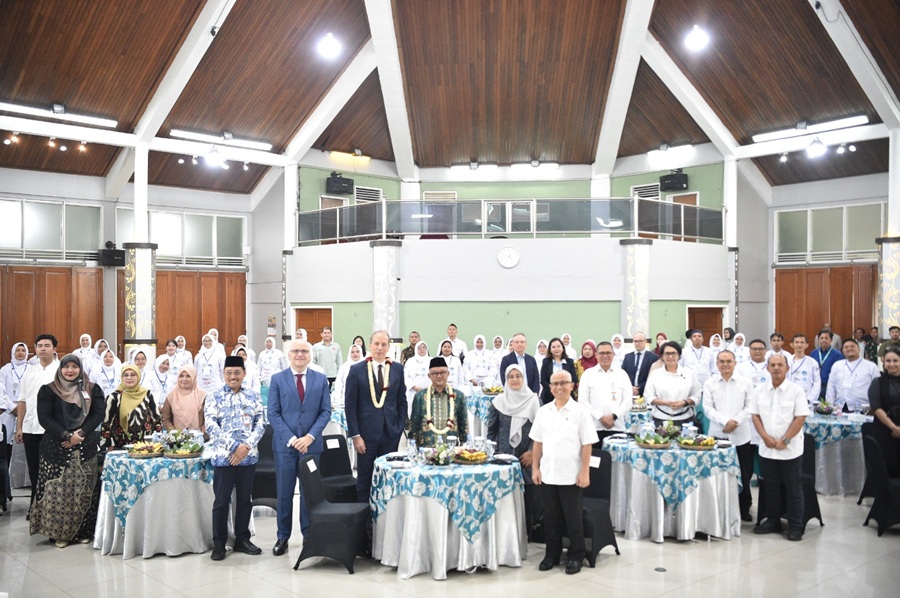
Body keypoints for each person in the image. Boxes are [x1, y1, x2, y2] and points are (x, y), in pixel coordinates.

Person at [29, 354, 105, 547]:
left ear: (80, 368)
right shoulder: (48, 390)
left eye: (74, 367)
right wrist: (66, 436)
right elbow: (44, 418)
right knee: (58, 492)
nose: (70, 370)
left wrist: (81, 432)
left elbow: (98, 413)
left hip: (85, 446)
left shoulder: (92, 389)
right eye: (66, 367)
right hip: (56, 448)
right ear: (60, 369)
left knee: (84, 489)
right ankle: (59, 534)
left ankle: (82, 532)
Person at [267, 339, 332, 555]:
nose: (300, 354)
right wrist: (292, 438)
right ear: (289, 354)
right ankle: (282, 537)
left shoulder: (320, 379)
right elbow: (273, 413)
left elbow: (325, 412)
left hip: (311, 448)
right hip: (285, 448)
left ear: (310, 355)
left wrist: (310, 437)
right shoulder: (277, 379)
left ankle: (308, 536)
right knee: (284, 493)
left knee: (309, 493)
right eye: (296, 351)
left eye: (304, 351)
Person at [529, 370, 597, 575]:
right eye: (555, 384)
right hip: (548, 473)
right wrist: (535, 468)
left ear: (572, 385)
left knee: (573, 518)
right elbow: (537, 442)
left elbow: (587, 445)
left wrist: (584, 472)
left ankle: (576, 554)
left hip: (571, 474)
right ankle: (552, 554)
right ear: (549, 388)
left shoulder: (580, 412)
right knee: (551, 518)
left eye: (563, 383)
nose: (559, 387)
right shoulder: (544, 411)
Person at [205, 355, 265, 560]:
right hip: (224, 458)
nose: (233, 376)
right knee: (221, 501)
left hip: (248, 457)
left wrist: (245, 447)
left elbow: (260, 424)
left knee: (244, 501)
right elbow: (211, 426)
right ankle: (219, 543)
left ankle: (242, 539)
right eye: (229, 373)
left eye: (237, 372)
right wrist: (234, 448)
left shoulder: (253, 396)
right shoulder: (213, 397)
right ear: (223, 374)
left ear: (244, 374)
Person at [749, 354, 808, 541]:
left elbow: (800, 417)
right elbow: (755, 416)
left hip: (790, 450)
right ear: (767, 368)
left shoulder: (796, 391)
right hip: (767, 448)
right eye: (772, 365)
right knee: (770, 487)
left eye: (780, 365)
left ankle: (796, 525)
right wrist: (765, 437)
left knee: (793, 488)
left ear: (787, 368)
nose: (776, 368)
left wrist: (786, 440)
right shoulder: (759, 390)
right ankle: (773, 520)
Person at [345, 330, 407, 503]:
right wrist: (356, 436)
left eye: (384, 344)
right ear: (370, 345)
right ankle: (365, 524)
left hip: (391, 433)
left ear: (388, 347)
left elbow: (401, 400)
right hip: (365, 436)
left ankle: (386, 520)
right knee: (365, 479)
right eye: (376, 344)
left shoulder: (397, 369)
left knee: (388, 479)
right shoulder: (357, 370)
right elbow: (350, 406)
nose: (380, 348)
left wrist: (399, 426)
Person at [488, 364, 541, 538]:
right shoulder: (498, 402)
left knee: (528, 495)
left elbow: (540, 430)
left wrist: (533, 452)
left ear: (524, 378)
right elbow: (492, 431)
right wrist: (495, 454)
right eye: (511, 376)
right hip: (503, 457)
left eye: (518, 376)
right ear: (506, 379)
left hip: (526, 457)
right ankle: (506, 533)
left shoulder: (533, 400)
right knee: (504, 495)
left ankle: (527, 531)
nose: (515, 379)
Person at [703, 350, 755, 522]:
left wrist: (735, 422)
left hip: (741, 436)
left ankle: (744, 507)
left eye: (729, 361)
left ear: (735, 363)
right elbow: (708, 408)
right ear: (717, 364)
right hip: (718, 436)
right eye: (722, 361)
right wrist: (725, 421)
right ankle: (718, 507)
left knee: (744, 473)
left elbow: (750, 407)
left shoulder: (745, 382)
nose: (725, 364)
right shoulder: (710, 383)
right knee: (717, 473)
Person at [16, 334, 59, 504]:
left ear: (54, 349)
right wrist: (19, 427)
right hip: (30, 428)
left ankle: (51, 505)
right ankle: (35, 505)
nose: (43, 348)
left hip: (53, 430)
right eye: (39, 345)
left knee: (52, 469)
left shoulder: (60, 370)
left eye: (47, 345)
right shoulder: (29, 371)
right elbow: (22, 400)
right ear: (35, 349)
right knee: (34, 469)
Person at [579, 341, 631, 443]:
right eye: (602, 353)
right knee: (595, 458)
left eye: (608, 353)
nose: (605, 356)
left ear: (613, 354)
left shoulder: (622, 374)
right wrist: (600, 417)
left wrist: (614, 416)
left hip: (617, 428)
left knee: (615, 459)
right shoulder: (588, 374)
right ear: (596, 355)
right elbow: (583, 401)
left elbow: (628, 401)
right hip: (594, 428)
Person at [99, 364, 162, 450]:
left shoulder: (147, 395)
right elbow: (106, 423)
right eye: (126, 375)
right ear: (122, 377)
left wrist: (157, 442)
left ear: (138, 377)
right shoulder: (114, 397)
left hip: (146, 447)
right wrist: (109, 445)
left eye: (133, 375)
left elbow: (157, 420)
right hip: (120, 447)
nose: (129, 378)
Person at [409, 357, 468, 447]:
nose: (439, 376)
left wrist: (464, 446)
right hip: (426, 450)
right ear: (429, 376)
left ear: (448, 374)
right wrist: (412, 446)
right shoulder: (420, 396)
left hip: (451, 450)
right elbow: (414, 424)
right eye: (435, 373)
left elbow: (463, 423)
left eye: (442, 372)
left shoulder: (458, 396)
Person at [644, 341, 701, 427]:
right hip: (660, 420)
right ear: (662, 356)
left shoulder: (689, 374)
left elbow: (696, 395)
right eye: (667, 354)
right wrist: (666, 403)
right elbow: (648, 396)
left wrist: (684, 402)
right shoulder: (655, 374)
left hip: (685, 421)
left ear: (679, 356)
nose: (670, 356)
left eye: (673, 353)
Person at [1, 342, 29, 500]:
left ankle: (26, 480)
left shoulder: (31, 369)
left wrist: (23, 409)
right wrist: (13, 408)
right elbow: (1, 390)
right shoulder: (5, 370)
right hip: (9, 413)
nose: (20, 353)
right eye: (17, 350)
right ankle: (9, 484)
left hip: (27, 413)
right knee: (8, 449)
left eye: (23, 350)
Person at [868, 347, 900, 477]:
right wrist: (895, 428)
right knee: (888, 468)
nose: (891, 364)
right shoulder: (877, 382)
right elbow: (876, 407)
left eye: (895, 361)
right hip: (885, 430)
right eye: (888, 361)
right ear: (883, 363)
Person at [825, 338, 880, 412]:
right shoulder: (837, 365)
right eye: (846, 347)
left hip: (864, 409)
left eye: (852, 346)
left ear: (859, 349)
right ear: (842, 351)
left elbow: (878, 388)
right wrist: (829, 406)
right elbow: (831, 387)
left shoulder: (871, 366)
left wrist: (874, 407)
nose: (849, 349)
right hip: (840, 408)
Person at [161, 366, 207, 434]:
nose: (184, 379)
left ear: (194, 377)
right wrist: (176, 435)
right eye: (181, 376)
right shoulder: (171, 396)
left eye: (188, 376)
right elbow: (166, 419)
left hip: (199, 438)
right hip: (177, 440)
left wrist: (202, 433)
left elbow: (208, 418)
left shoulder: (203, 395)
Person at [539, 338, 578, 405]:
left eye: (558, 346)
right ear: (550, 350)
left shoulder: (569, 362)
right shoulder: (546, 362)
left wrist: (564, 390)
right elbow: (543, 380)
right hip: (549, 396)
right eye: (553, 347)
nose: (556, 349)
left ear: (563, 348)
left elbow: (574, 379)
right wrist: (554, 390)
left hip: (567, 396)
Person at [621, 332, 659, 397]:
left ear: (645, 341)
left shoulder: (653, 357)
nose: (637, 343)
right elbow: (622, 375)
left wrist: (639, 388)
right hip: (629, 392)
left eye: (640, 341)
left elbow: (653, 377)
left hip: (646, 392)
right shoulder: (627, 357)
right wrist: (630, 388)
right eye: (635, 341)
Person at [787, 334, 821, 406]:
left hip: (807, 398)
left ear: (806, 345)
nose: (799, 345)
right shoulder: (786, 361)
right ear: (792, 345)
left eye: (802, 342)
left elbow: (817, 383)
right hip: (789, 398)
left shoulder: (812, 362)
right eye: (797, 342)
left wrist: (810, 399)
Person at [811, 329, 844, 400]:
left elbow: (840, 373)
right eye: (821, 338)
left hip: (829, 387)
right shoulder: (813, 353)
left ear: (831, 340)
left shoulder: (837, 354)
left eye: (826, 338)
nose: (824, 340)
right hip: (815, 387)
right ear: (818, 340)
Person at [403, 341, 430, 412]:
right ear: (416, 349)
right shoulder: (410, 361)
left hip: (427, 391)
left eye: (424, 348)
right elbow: (405, 375)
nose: (422, 350)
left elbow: (433, 376)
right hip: (412, 391)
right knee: (413, 411)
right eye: (419, 348)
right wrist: (413, 386)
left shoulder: (431, 360)